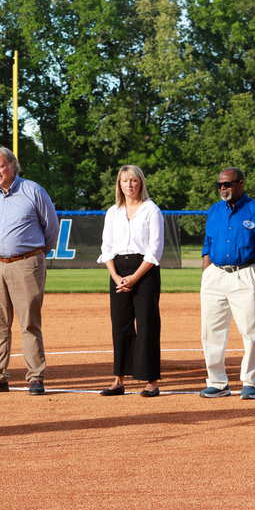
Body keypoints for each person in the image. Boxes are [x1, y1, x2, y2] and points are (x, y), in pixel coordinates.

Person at [0, 147, 59, 395]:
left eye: (0, 166)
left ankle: (35, 377)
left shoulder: (33, 190)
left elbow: (50, 227)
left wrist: (37, 254)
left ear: (12, 165)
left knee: (29, 322)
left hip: (26, 263)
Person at [199, 167, 255, 399]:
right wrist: (207, 270)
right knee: (211, 331)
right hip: (215, 275)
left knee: (250, 331)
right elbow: (207, 244)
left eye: (228, 184)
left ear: (241, 184)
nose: (223, 188)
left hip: (245, 274)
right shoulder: (213, 211)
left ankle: (250, 382)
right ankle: (217, 382)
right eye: (220, 185)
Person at [97, 165, 164, 397]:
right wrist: (116, 276)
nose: (129, 185)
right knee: (121, 325)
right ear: (119, 185)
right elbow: (106, 247)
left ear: (141, 183)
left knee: (147, 325)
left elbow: (155, 249)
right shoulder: (112, 212)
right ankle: (119, 380)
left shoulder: (151, 210)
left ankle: (151, 382)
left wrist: (135, 278)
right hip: (118, 269)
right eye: (125, 181)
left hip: (145, 271)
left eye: (134, 181)